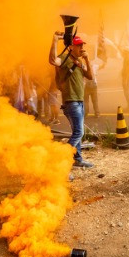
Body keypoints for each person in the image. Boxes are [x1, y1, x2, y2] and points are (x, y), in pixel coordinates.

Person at [49, 32, 95, 168]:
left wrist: (86, 60)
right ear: (71, 47)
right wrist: (55, 40)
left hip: (79, 101)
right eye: (79, 45)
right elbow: (52, 60)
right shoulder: (63, 57)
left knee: (77, 131)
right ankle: (61, 161)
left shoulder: (79, 61)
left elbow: (90, 76)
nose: (82, 48)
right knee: (79, 132)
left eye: (82, 45)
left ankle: (78, 159)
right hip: (71, 102)